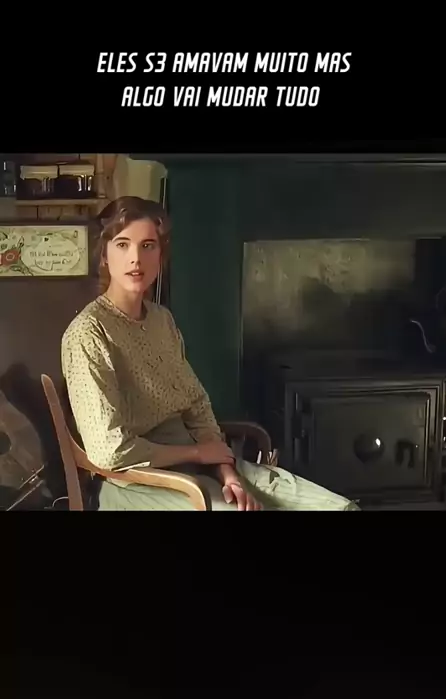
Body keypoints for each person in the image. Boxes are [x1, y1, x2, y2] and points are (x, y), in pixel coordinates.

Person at [61, 196, 359, 511]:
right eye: (122, 245)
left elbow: (196, 405)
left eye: (148, 246)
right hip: (136, 483)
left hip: (199, 464)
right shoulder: (88, 333)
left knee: (339, 508)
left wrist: (228, 474)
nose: (135, 258)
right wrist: (197, 454)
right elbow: (109, 451)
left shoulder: (162, 320)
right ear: (104, 255)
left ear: (161, 255)